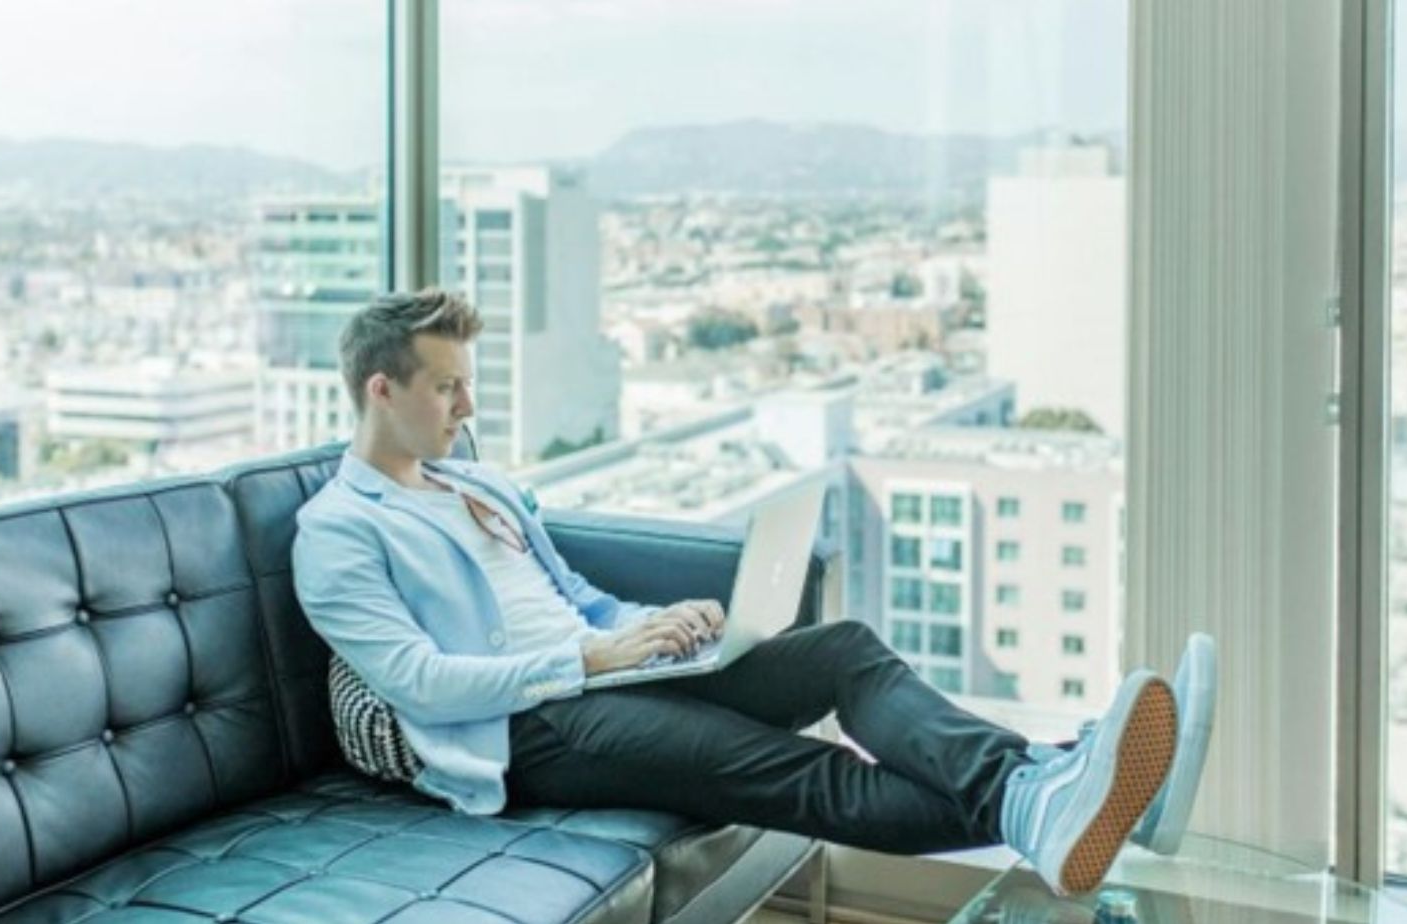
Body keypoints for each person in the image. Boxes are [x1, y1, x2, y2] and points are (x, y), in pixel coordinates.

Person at [293, 290, 1218, 896]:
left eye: (467, 386)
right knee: (793, 769)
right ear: (381, 389)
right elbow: (421, 681)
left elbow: (568, 589)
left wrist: (650, 626)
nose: (467, 408)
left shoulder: (475, 482)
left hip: (610, 674)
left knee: (845, 652)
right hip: (529, 730)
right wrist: (589, 657)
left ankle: (1053, 789)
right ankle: (1072, 788)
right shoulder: (339, 530)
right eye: (447, 388)